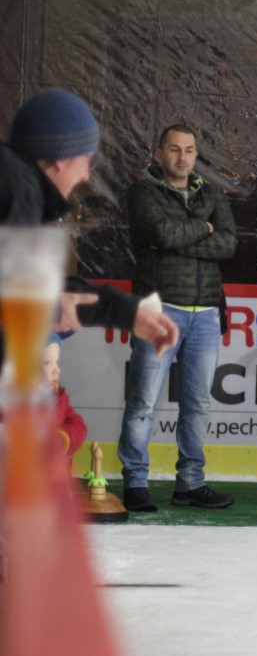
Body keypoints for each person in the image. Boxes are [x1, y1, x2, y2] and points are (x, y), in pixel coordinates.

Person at [116, 124, 237, 512]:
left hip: (205, 313)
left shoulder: (213, 192)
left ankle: (190, 484)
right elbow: (160, 233)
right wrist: (204, 228)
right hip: (159, 310)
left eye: (189, 150)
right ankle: (135, 482)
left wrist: (182, 238)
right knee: (142, 402)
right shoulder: (142, 192)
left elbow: (229, 243)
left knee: (198, 405)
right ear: (158, 153)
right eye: (174, 149)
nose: (182, 157)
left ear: (196, 155)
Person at [0, 88, 179, 350]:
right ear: (62, 158)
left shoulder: (14, 183)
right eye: (88, 161)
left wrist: (128, 312)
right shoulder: (18, 190)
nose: (85, 176)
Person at [43, 334, 87, 465]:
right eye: (46, 363)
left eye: (56, 362)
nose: (56, 369)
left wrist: (63, 436)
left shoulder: (57, 397)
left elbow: (79, 426)